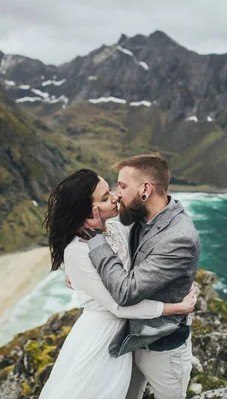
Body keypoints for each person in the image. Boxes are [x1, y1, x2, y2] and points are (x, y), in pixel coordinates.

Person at [39, 169, 196, 399]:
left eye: (110, 190)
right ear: (85, 212)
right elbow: (118, 307)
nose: (115, 197)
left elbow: (149, 230)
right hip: (100, 339)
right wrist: (176, 308)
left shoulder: (116, 228)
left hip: (123, 336)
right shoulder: (77, 251)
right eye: (104, 198)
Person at [80, 154, 200, 399]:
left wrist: (95, 240)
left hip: (163, 352)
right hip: (129, 342)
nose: (117, 194)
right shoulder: (138, 218)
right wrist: (78, 270)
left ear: (145, 189)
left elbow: (126, 292)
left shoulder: (180, 237)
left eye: (122, 186)